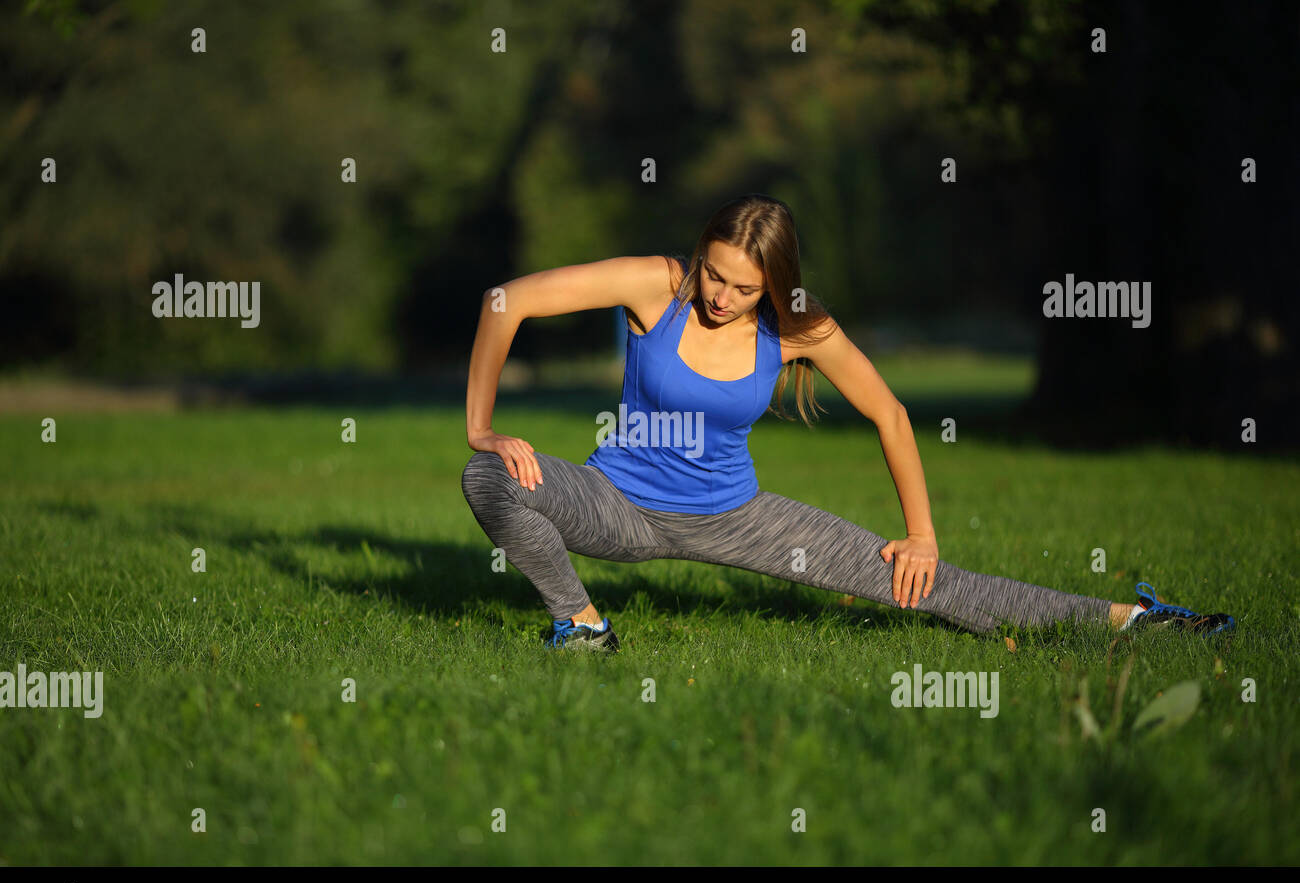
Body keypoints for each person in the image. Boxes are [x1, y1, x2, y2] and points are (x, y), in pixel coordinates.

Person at [460, 195, 1234, 652]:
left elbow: (890, 414)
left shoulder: (797, 326)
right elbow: (505, 300)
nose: (721, 296)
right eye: (715, 274)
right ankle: (584, 626)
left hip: (737, 516)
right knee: (487, 478)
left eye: (744, 287)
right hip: (617, 505)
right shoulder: (658, 286)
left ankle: (1138, 621)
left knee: (921, 586)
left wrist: (921, 533)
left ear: (775, 285)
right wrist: (483, 428)